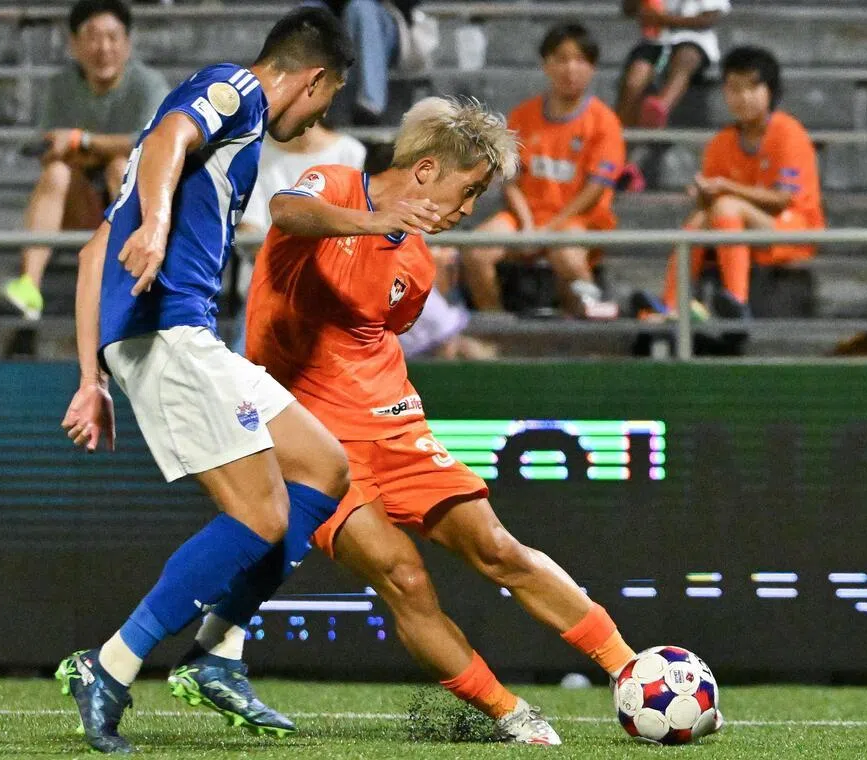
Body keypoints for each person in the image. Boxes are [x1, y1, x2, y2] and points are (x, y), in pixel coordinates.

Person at [168, 97, 696, 745]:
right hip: (311, 443)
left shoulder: (417, 263)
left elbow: (378, 338)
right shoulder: (335, 187)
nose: (471, 208)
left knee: (498, 549)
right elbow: (285, 213)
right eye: (469, 189)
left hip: (394, 427)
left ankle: (628, 667)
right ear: (424, 171)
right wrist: (371, 220)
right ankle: (511, 714)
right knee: (405, 577)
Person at [53, 9, 354, 754]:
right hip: (170, 336)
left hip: (171, 339)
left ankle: (217, 653)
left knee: (323, 467)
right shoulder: (236, 92)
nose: (321, 115)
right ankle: (111, 666)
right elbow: (165, 143)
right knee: (261, 516)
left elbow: (96, 252)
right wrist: (157, 228)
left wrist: (90, 376)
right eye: (328, 99)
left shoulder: (214, 124)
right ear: (312, 79)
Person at [0, 0, 170, 321]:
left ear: (127, 43)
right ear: (74, 44)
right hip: (81, 203)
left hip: (136, 206)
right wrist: (88, 148)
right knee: (56, 172)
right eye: (92, 37)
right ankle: (29, 288)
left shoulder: (149, 85)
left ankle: (131, 281)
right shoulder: (60, 87)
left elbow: (150, 144)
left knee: (121, 166)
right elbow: (52, 149)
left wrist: (84, 141)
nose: (103, 47)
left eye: (112, 37)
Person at [461, 23, 625, 319]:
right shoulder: (523, 115)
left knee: (567, 256)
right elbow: (510, 180)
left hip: (579, 221)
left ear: (592, 68)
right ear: (545, 64)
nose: (570, 68)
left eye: (580, 60)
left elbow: (595, 189)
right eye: (561, 59)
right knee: (476, 251)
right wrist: (526, 224)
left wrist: (550, 230)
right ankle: (499, 329)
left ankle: (594, 334)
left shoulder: (604, 122)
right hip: (526, 216)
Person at [659, 46, 824, 316]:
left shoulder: (788, 133)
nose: (743, 97)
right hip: (741, 227)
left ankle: (737, 301)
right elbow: (711, 203)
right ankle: (670, 305)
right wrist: (703, 193)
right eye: (734, 89)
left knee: (727, 207)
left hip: (792, 228)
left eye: (752, 88)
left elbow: (783, 198)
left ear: (770, 92)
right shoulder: (720, 142)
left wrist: (726, 188)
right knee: (697, 220)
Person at [232, 123, 367, 353]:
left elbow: (352, 235)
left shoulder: (351, 153)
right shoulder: (253, 152)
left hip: (331, 300)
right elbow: (250, 233)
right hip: (265, 295)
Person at [615, 0, 730, 190]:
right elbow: (628, 10)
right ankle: (619, 156)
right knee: (634, 80)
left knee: (686, 59)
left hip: (693, 39)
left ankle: (661, 105)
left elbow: (709, 19)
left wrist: (664, 19)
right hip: (655, 41)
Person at [305, 0, 430, 126]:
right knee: (309, 11)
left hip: (383, 24)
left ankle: (370, 105)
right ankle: (307, 106)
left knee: (361, 7)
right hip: (335, 19)